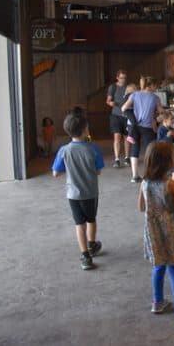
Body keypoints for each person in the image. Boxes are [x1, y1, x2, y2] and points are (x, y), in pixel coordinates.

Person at [138, 141, 174, 325]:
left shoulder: (144, 183)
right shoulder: (173, 185)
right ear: (166, 163)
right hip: (171, 232)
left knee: (158, 267)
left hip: (153, 232)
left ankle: (157, 302)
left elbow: (141, 207)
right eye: (173, 157)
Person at [52, 112, 104, 270]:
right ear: (84, 130)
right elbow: (98, 171)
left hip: (72, 194)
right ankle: (92, 245)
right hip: (90, 193)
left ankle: (85, 256)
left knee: (79, 224)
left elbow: (56, 173)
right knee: (91, 219)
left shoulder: (64, 150)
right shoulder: (93, 149)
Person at [122, 76, 164, 183]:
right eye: (155, 85)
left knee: (135, 149)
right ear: (150, 86)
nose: (156, 87)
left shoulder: (134, 95)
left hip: (133, 126)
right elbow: (162, 113)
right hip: (147, 127)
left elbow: (123, 108)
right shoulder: (155, 98)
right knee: (149, 150)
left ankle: (135, 176)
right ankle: (149, 175)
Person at [106, 70, 130, 168]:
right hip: (115, 115)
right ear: (117, 77)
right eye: (121, 78)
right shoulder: (113, 87)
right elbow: (108, 101)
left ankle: (127, 157)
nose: (123, 80)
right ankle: (116, 159)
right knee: (117, 137)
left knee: (127, 138)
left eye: (124, 78)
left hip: (127, 115)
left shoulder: (128, 88)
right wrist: (111, 103)